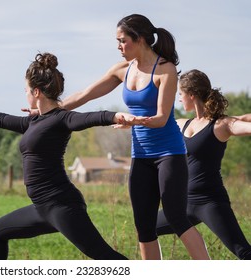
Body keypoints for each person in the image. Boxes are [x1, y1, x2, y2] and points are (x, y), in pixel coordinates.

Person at [0, 52, 147, 260]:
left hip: (62, 205)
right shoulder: (33, 122)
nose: (25, 94)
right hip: (42, 208)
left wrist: (117, 116)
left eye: (26, 90)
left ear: (36, 92)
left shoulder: (61, 119)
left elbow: (91, 118)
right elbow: (1, 119)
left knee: (107, 258)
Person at [49, 14, 210, 260]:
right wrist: (52, 108)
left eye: (123, 40)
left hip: (169, 154)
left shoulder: (165, 69)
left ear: (140, 39)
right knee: (143, 226)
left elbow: (161, 117)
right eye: (117, 41)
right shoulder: (122, 70)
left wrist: (132, 121)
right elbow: (86, 94)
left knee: (176, 217)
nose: (119, 46)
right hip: (141, 155)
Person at [156, 69, 251, 260]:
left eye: (181, 95)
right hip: (182, 203)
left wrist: (240, 119)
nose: (180, 100)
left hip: (210, 202)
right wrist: (127, 122)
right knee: (147, 227)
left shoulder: (221, 125)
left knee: (244, 252)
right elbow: (154, 123)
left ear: (191, 95)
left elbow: (243, 124)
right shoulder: (182, 124)